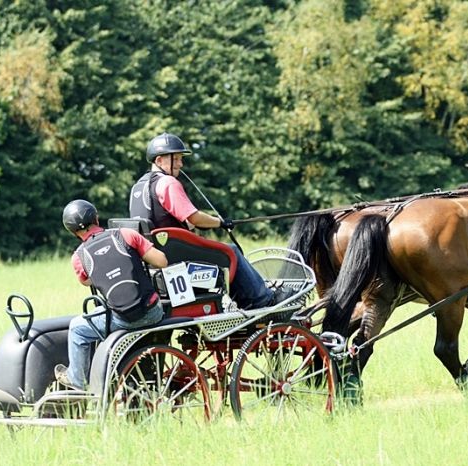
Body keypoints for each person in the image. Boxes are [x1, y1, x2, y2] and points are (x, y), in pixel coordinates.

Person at [129, 132, 291, 309]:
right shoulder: (167, 183)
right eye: (176, 159)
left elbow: (162, 219)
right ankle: (263, 299)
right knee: (231, 251)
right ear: (159, 160)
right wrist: (220, 222)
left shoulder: (138, 187)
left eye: (181, 159)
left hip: (155, 260)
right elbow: (194, 217)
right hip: (176, 259)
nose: (181, 164)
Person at [54, 199, 168, 390]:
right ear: (96, 218)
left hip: (122, 320)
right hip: (152, 311)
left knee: (77, 328)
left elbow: (87, 281)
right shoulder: (126, 235)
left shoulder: (79, 258)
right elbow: (162, 261)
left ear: (72, 231)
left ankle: (77, 379)